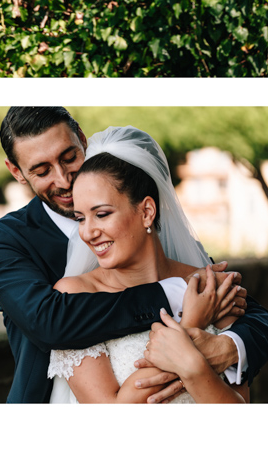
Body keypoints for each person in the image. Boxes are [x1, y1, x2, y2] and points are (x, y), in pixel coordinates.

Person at [0, 107, 268, 403]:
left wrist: (230, 346)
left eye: (70, 158)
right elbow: (49, 322)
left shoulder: (163, 240)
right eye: (42, 171)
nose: (64, 180)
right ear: (16, 171)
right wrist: (178, 296)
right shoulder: (3, 240)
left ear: (83, 139)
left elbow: (251, 315)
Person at [49, 127, 246, 403]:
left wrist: (189, 355)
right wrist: (191, 325)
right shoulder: (75, 296)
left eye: (102, 214)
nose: (88, 232)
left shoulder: (207, 286)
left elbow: (242, 406)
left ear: (147, 211)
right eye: (81, 218)